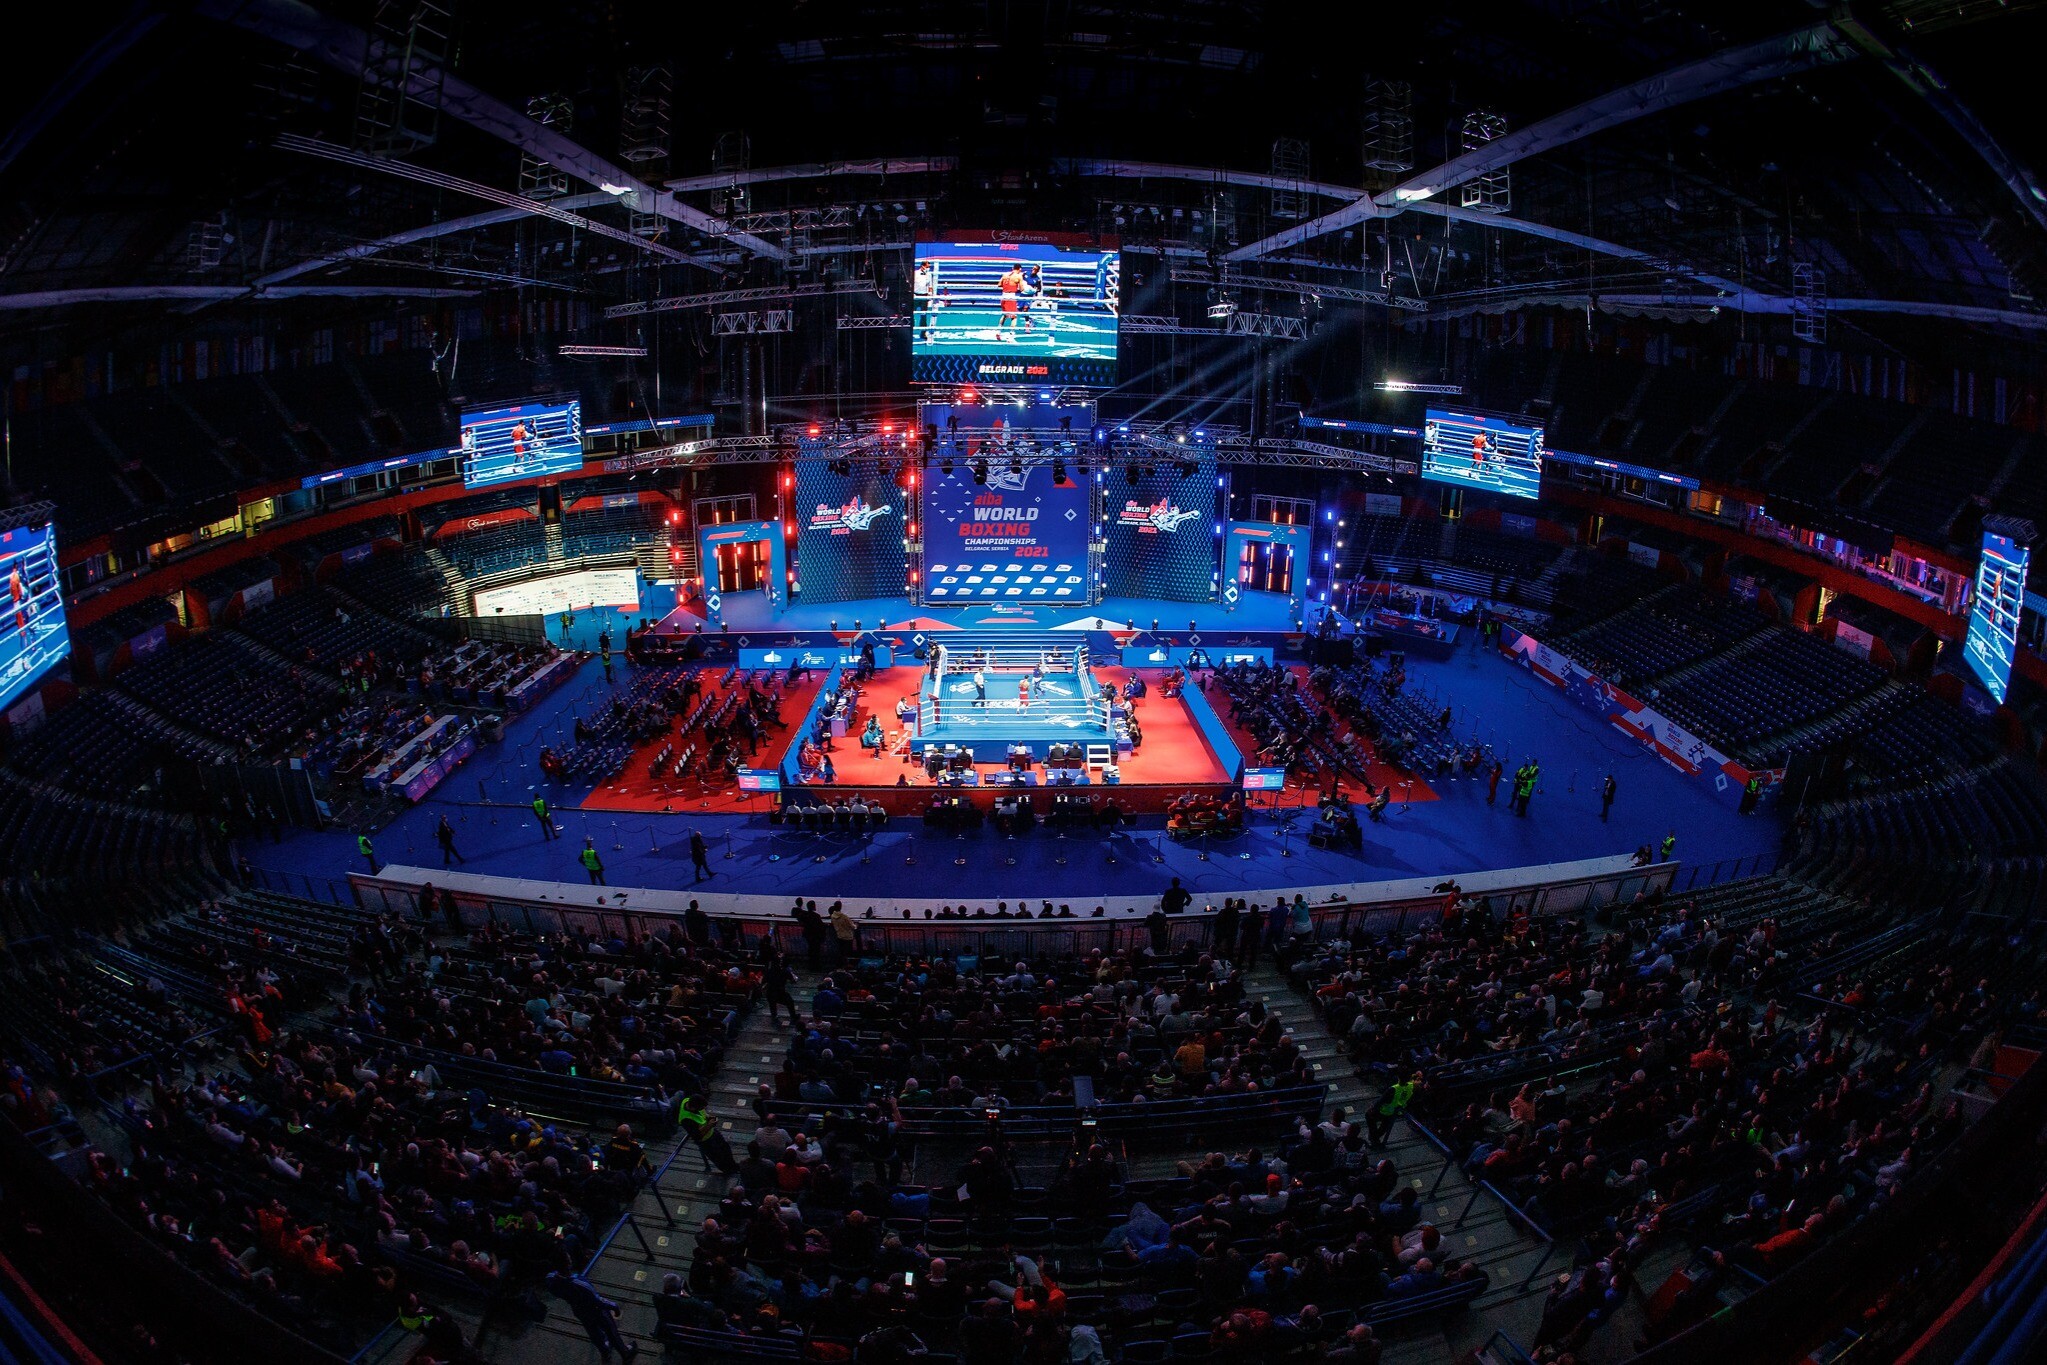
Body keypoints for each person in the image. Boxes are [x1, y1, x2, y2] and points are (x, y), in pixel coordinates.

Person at [547, 1270, 638, 1360]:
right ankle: (625, 1353)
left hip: (579, 1311)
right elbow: (596, 1299)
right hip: (596, 1310)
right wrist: (614, 1306)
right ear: (568, 1263)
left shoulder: (550, 1279)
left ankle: (605, 1352)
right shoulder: (578, 1282)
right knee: (611, 1331)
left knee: (594, 1333)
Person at [676, 1092, 738, 1175]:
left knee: (725, 1149)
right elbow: (697, 1136)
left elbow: (703, 1115)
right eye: (701, 1108)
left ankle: (734, 1166)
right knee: (718, 1157)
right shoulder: (686, 1120)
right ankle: (728, 1171)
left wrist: (709, 1118)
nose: (703, 1109)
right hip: (706, 1142)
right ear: (694, 1108)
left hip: (713, 1133)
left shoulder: (687, 1100)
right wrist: (709, 1125)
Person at [1366, 1071, 1417, 1149]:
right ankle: (1375, 1137)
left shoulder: (1393, 1089)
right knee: (1385, 1125)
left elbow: (1381, 1101)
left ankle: (1374, 1137)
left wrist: (1372, 1108)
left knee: (1369, 1115)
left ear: (1398, 1078)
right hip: (1397, 1111)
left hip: (1385, 1111)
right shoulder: (1411, 1086)